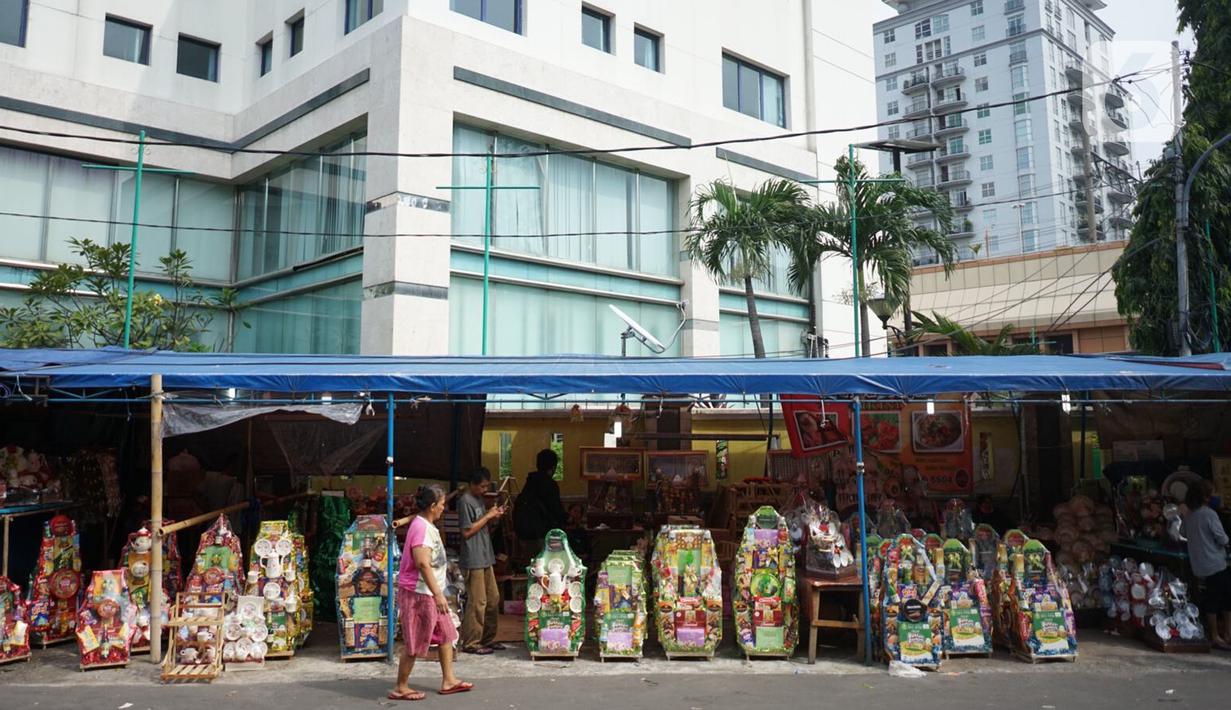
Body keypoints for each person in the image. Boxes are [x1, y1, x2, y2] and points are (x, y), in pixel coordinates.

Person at [389, 485, 472, 701]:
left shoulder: (425, 525)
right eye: (442, 504)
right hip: (420, 593)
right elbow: (422, 563)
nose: (444, 508)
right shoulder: (421, 528)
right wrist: (438, 594)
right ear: (433, 506)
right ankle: (401, 686)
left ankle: (448, 680)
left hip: (431, 591)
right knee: (415, 641)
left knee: (445, 633)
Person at [457, 468, 505, 655]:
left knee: (493, 599)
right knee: (478, 602)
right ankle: (471, 642)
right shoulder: (465, 501)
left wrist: (493, 516)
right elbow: (467, 531)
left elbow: (482, 525)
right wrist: (487, 516)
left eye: (487, 486)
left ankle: (487, 638)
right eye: (483, 486)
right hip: (473, 557)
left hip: (486, 555)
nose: (485, 489)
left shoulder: (478, 499)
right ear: (473, 484)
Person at [1183, 480, 1231, 650]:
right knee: (1221, 599)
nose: (1215, 495)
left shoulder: (1189, 514)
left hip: (1199, 565)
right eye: (1213, 492)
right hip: (1215, 564)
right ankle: (1218, 635)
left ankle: (1223, 634)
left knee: (1216, 598)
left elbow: (1183, 534)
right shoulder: (1209, 514)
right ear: (1205, 497)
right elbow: (1222, 538)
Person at [513, 449, 568, 546]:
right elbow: (555, 508)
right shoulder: (549, 484)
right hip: (543, 533)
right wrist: (566, 519)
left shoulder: (530, 483)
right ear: (553, 466)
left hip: (525, 532)